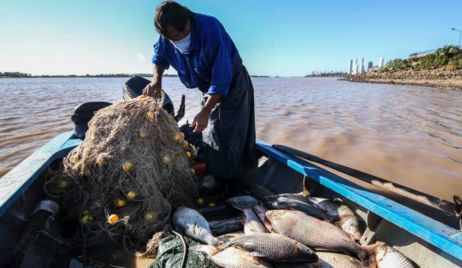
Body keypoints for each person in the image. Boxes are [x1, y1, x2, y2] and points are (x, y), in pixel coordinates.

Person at [143, 1, 256, 181]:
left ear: (188, 21)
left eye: (181, 34)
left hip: (232, 84)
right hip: (207, 87)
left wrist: (205, 110)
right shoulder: (167, 35)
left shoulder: (210, 28)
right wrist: (156, 80)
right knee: (210, 133)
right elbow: (159, 55)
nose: (178, 40)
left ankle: (233, 181)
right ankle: (216, 174)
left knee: (231, 134)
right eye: (172, 38)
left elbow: (221, 77)